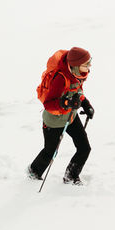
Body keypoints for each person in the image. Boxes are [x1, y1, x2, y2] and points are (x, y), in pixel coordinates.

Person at [28, 47, 95, 185]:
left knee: (84, 148)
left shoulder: (78, 74)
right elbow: (49, 104)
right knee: (50, 152)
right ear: (76, 65)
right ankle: (33, 173)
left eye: (89, 62)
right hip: (54, 121)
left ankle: (71, 177)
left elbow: (78, 91)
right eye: (86, 63)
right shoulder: (61, 78)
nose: (89, 66)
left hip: (70, 117)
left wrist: (86, 105)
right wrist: (66, 102)